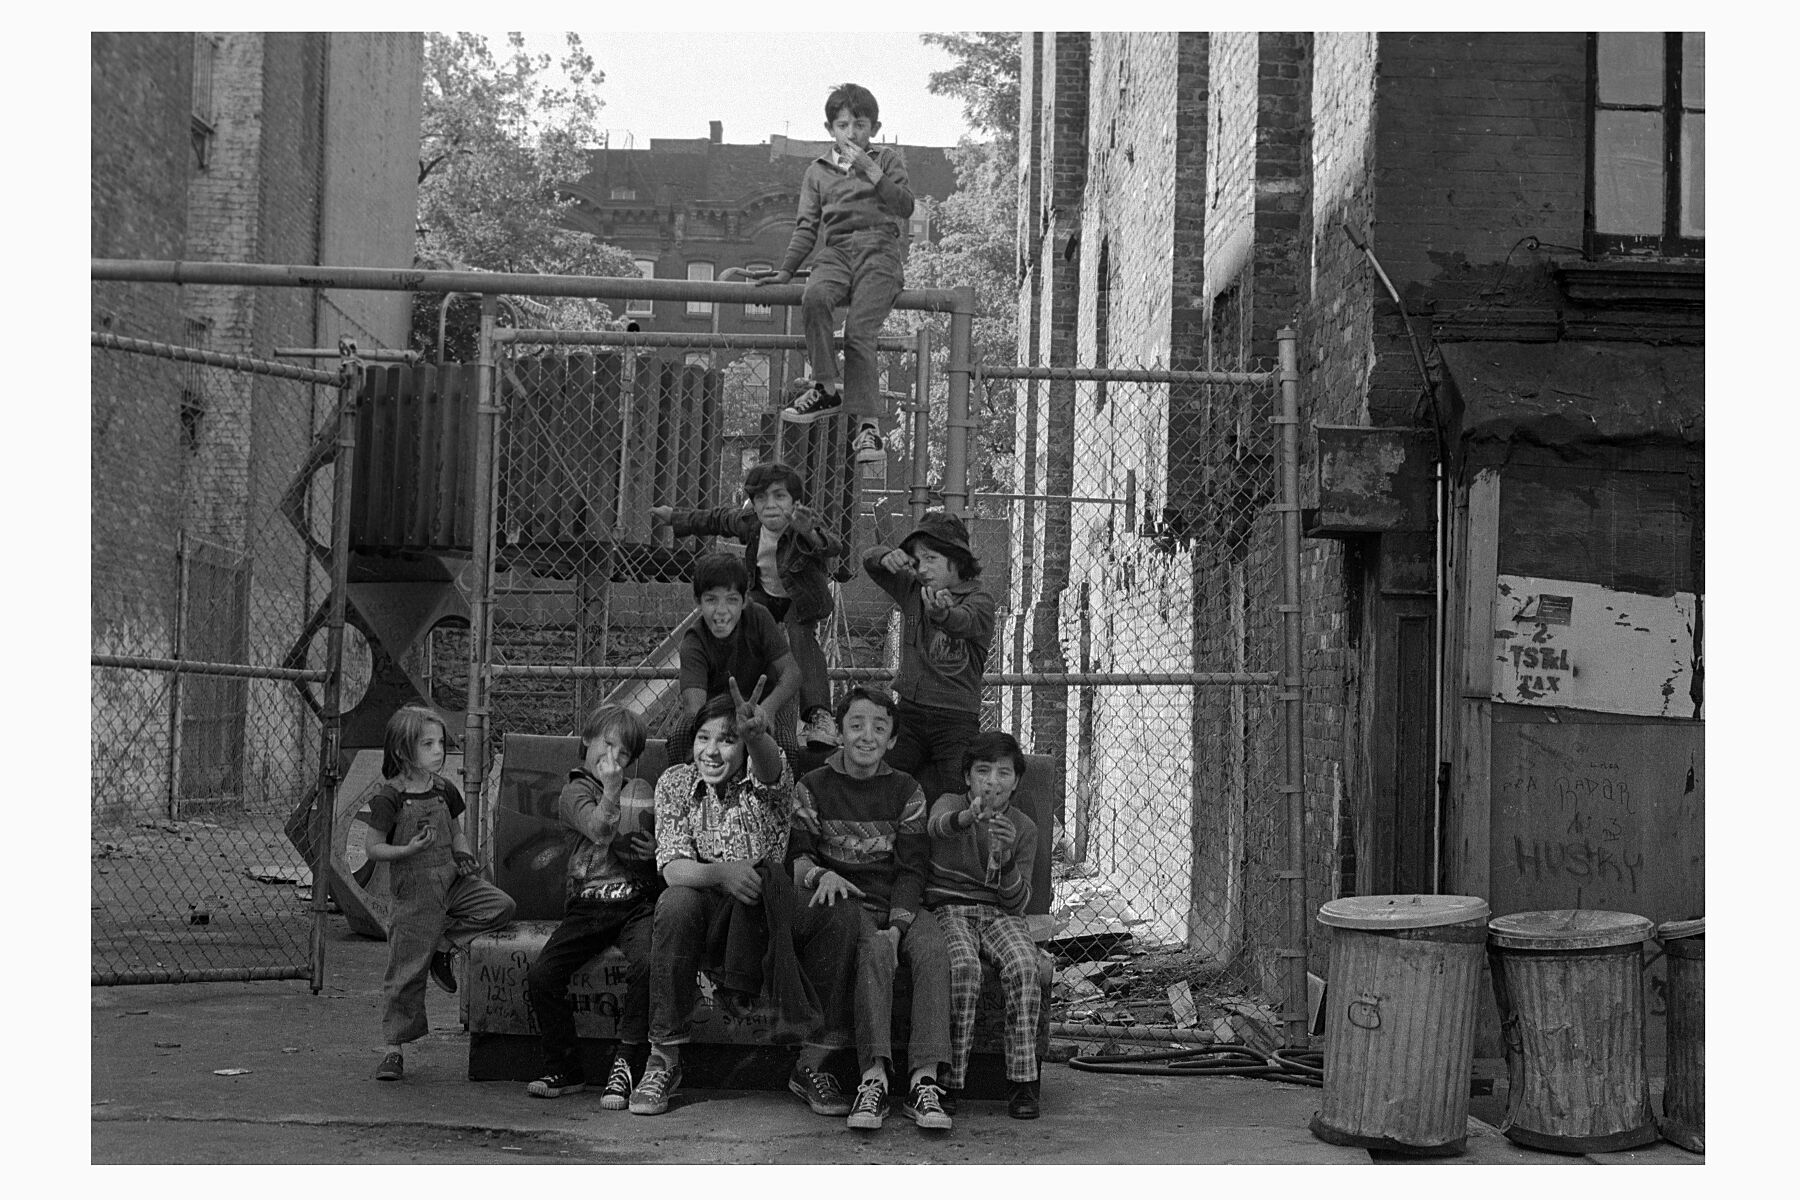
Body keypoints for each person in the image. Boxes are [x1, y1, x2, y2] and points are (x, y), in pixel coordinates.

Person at [629, 683, 862, 1118]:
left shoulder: (764, 778)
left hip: (767, 905)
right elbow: (672, 866)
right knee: (675, 902)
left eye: (727, 739)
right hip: (710, 905)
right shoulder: (676, 782)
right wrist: (723, 874)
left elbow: (771, 767)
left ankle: (813, 1063)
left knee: (839, 914)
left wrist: (755, 733)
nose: (712, 751)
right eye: (704, 738)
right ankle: (664, 1059)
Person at [788, 686, 955, 1132]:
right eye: (856, 725)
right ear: (839, 732)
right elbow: (798, 856)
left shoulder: (906, 790)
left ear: (893, 740)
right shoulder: (812, 786)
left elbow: (912, 869)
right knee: (874, 952)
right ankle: (873, 1078)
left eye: (879, 728)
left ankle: (924, 1082)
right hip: (846, 900)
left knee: (933, 949)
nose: (867, 736)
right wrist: (820, 876)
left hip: (897, 898)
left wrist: (900, 924)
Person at [757, 82, 913, 468]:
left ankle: (867, 426)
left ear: (873, 128)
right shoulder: (817, 171)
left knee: (859, 330)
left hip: (880, 249)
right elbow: (807, 227)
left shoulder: (887, 160)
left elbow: (905, 207)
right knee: (815, 297)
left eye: (860, 124)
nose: (852, 133)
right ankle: (825, 385)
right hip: (837, 250)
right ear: (830, 130)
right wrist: (786, 271)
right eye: (843, 125)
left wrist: (873, 172)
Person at [366, 705, 516, 1082]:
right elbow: (373, 847)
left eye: (441, 743)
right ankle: (393, 1049)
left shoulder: (444, 789)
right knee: (405, 973)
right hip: (414, 892)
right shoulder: (391, 797)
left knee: (501, 907)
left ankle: (444, 946)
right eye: (428, 744)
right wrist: (407, 851)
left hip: (452, 882)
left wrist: (463, 852)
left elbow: (457, 830)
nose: (439, 750)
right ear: (403, 751)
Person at [651, 461, 844, 752]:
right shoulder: (751, 523)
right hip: (763, 594)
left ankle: (819, 715)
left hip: (801, 601)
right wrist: (675, 517)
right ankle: (729, 691)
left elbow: (830, 545)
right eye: (761, 498)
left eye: (779, 496)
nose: (770, 505)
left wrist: (808, 533)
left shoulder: (803, 523)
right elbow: (716, 519)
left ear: (794, 502)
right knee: (738, 620)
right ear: (753, 505)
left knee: (801, 636)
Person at [523, 706, 660, 1107]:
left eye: (624, 752)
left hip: (635, 903)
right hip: (589, 905)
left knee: (649, 963)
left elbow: (656, 850)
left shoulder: (640, 789)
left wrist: (653, 850)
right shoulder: (575, 792)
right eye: (607, 743)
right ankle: (564, 1067)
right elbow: (600, 830)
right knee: (543, 974)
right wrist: (613, 790)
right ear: (587, 740)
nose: (614, 757)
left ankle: (627, 1062)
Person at [925, 731, 1043, 1120]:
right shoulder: (950, 804)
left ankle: (1023, 1083)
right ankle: (951, 1081)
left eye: (1004, 773)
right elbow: (936, 828)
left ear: (1017, 781)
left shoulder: (1023, 827)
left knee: (1026, 966)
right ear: (967, 777)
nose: (992, 781)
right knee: (964, 968)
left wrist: (1006, 859)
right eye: (983, 771)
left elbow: (1017, 902)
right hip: (951, 908)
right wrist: (967, 817)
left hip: (999, 914)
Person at [861, 510, 995, 802]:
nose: (922, 569)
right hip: (910, 712)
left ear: (956, 560)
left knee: (957, 792)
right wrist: (885, 556)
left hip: (955, 720)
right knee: (882, 781)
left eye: (931, 559)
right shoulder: (913, 589)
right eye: (918, 560)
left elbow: (964, 620)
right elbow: (869, 561)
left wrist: (943, 614)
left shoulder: (980, 600)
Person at [667, 551, 805, 768]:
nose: (721, 612)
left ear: (743, 601)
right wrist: (730, 729)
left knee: (785, 746)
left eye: (731, 600)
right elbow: (695, 709)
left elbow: (792, 673)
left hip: (769, 699)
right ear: (698, 601)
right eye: (711, 600)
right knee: (680, 737)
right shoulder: (694, 641)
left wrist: (767, 709)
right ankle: (685, 794)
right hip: (718, 712)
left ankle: (786, 799)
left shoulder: (759, 618)